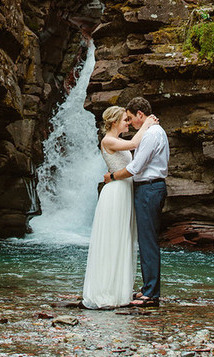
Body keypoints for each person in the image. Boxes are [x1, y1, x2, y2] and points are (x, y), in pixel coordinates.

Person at [82, 105, 159, 309]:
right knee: (113, 239)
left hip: (124, 191)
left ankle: (119, 289)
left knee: (122, 239)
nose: (128, 122)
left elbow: (136, 146)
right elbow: (135, 142)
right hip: (115, 193)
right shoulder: (108, 140)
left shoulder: (118, 141)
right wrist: (148, 124)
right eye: (125, 120)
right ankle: (106, 291)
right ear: (115, 122)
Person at [104, 96, 169, 308]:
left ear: (140, 115)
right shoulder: (150, 133)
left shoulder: (151, 134)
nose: (129, 122)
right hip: (147, 188)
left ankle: (151, 293)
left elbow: (135, 168)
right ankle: (148, 289)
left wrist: (112, 177)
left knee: (148, 241)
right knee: (145, 240)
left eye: (131, 118)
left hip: (149, 188)